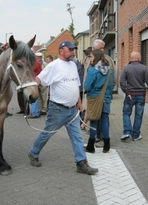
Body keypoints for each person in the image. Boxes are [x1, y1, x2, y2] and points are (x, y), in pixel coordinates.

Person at [28, 40, 98, 175]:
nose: (72, 51)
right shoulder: (53, 66)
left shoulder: (73, 65)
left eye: (73, 49)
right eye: (70, 49)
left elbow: (75, 84)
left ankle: (81, 163)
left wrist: (78, 101)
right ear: (61, 51)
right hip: (58, 110)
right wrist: (31, 91)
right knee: (47, 133)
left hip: (72, 110)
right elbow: (39, 79)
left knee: (77, 137)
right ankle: (33, 153)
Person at [83, 49, 113, 153]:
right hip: (106, 98)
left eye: (91, 57)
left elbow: (86, 86)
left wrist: (92, 92)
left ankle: (91, 146)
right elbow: (110, 86)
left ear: (96, 57)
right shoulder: (109, 70)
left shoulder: (92, 70)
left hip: (94, 98)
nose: (90, 59)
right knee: (105, 121)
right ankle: (106, 146)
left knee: (93, 121)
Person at [120, 51, 148, 141]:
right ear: (138, 58)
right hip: (141, 95)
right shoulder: (144, 68)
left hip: (130, 95)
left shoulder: (126, 68)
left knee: (126, 113)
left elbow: (122, 82)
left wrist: (127, 92)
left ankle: (127, 132)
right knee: (138, 115)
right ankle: (136, 135)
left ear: (131, 58)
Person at [92, 39, 116, 147]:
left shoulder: (108, 59)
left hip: (103, 94)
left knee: (103, 118)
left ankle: (102, 138)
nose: (103, 50)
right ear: (94, 49)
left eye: (103, 48)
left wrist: (109, 90)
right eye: (100, 48)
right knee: (96, 117)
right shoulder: (89, 60)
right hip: (93, 96)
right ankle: (98, 136)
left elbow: (113, 76)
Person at [27, 52, 42, 118]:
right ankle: (35, 112)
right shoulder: (39, 63)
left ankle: (35, 113)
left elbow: (31, 70)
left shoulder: (36, 63)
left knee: (33, 97)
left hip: (34, 81)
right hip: (36, 80)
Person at [80, 47, 92, 131]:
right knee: (86, 107)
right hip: (87, 88)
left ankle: (83, 124)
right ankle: (83, 124)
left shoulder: (88, 62)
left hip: (86, 88)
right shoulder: (88, 62)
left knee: (86, 107)